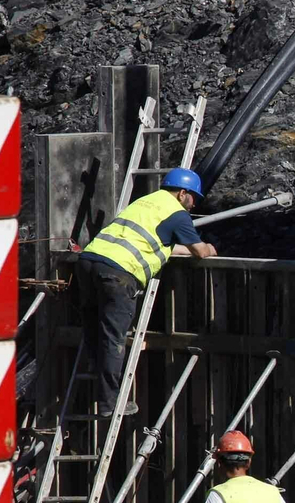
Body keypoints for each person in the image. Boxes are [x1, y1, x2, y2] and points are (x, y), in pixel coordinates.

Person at [76, 167, 218, 415]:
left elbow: (156, 244)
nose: (194, 204)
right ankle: (109, 404)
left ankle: (94, 371)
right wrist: (209, 248)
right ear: (182, 193)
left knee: (93, 327)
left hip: (89, 262)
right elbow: (199, 251)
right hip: (118, 273)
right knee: (113, 338)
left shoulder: (145, 202)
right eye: (194, 197)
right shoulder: (177, 213)